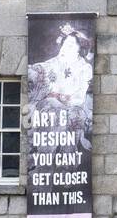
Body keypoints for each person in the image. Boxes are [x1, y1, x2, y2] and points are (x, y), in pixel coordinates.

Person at [29, 22, 94, 151]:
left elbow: (79, 98)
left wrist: (59, 97)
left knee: (67, 116)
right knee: (50, 110)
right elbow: (42, 68)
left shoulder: (85, 68)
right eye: (64, 44)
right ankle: (44, 157)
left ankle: (65, 165)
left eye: (70, 45)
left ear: (79, 49)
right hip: (50, 106)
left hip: (73, 108)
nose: (64, 48)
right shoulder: (56, 62)